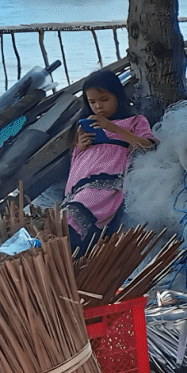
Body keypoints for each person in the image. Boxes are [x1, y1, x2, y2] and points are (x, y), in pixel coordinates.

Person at [65, 70, 155, 251]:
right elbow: (76, 162)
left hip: (106, 183)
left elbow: (149, 146)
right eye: (92, 102)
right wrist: (80, 147)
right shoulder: (85, 125)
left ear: (118, 96)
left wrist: (113, 128)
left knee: (78, 216)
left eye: (104, 100)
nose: (98, 107)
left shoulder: (135, 121)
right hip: (80, 183)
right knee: (66, 221)